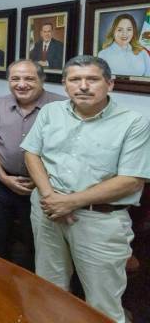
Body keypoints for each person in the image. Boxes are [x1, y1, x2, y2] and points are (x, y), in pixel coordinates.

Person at [21, 55, 150, 323]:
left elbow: (131, 179)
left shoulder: (134, 123)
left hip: (99, 220)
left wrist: (70, 202)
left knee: (103, 303)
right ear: (65, 84)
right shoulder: (50, 112)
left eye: (92, 79)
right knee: (49, 286)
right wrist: (51, 198)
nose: (83, 86)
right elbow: (32, 154)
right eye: (75, 80)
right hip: (47, 210)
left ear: (109, 84)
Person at [0, 60, 65, 268]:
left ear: (42, 80)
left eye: (29, 79)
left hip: (44, 187)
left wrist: (40, 181)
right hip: (2, 181)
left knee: (36, 242)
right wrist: (1, 175)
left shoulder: (61, 106)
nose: (21, 84)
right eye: (15, 79)